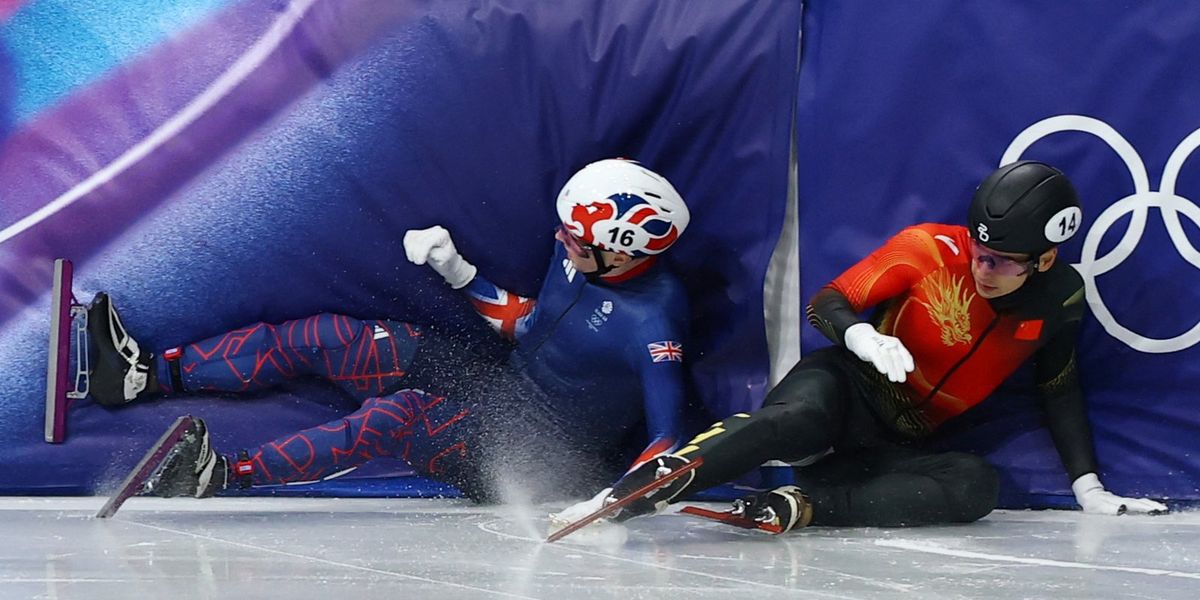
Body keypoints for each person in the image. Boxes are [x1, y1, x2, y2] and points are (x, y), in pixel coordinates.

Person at [595, 160, 1167, 533]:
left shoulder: (1062, 298)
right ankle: (656, 482)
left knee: (977, 486)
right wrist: (862, 335)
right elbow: (827, 300)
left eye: (1002, 262)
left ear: (1044, 259)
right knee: (797, 418)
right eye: (979, 253)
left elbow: (1058, 385)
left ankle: (807, 505)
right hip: (847, 387)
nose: (983, 270)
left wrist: (1087, 486)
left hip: (895, 442)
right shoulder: (930, 249)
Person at [86, 158, 693, 503]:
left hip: (536, 453)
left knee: (393, 418)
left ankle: (216, 474)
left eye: (576, 238)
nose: (560, 239)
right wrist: (461, 274)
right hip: (500, 388)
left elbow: (669, 438)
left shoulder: (655, 322)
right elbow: (531, 328)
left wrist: (611, 502)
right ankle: (142, 374)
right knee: (334, 337)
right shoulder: (577, 257)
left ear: (624, 252)